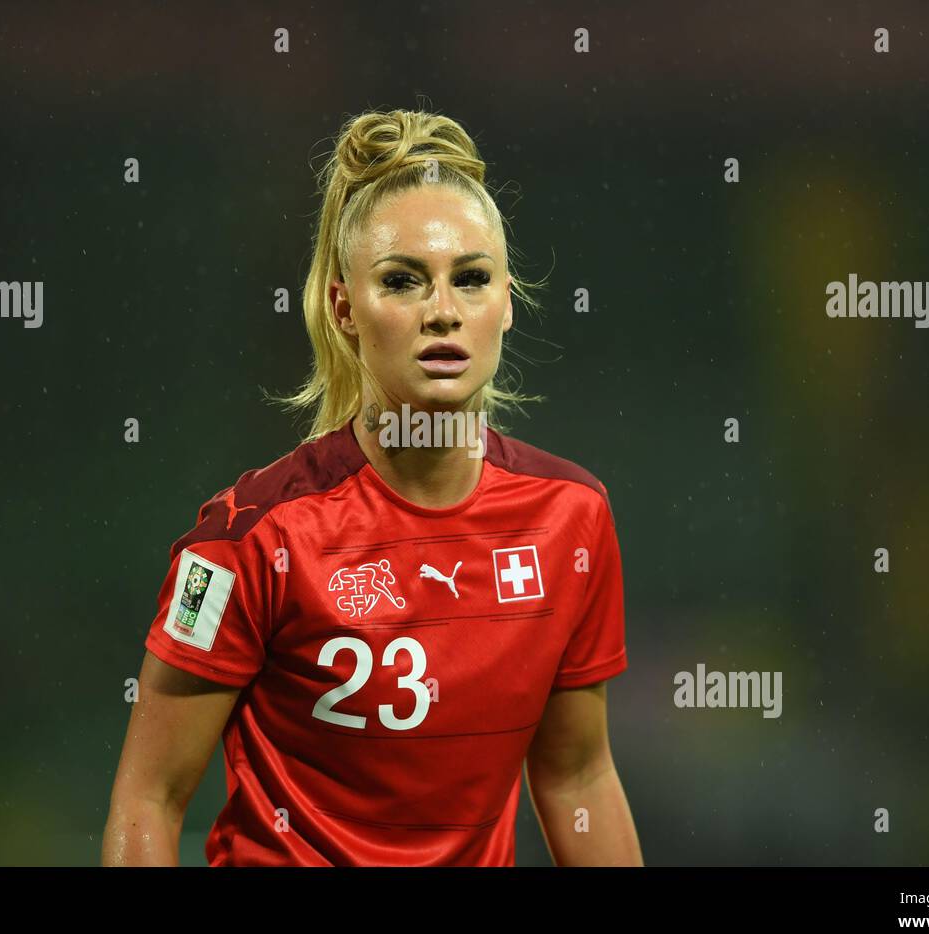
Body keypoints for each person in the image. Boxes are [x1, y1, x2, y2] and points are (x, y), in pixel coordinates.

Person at [102, 108, 641, 866]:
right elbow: (147, 802)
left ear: (508, 303)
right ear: (342, 307)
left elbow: (579, 778)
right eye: (402, 281)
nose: (443, 313)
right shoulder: (243, 543)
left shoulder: (572, 520)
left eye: (473, 279)